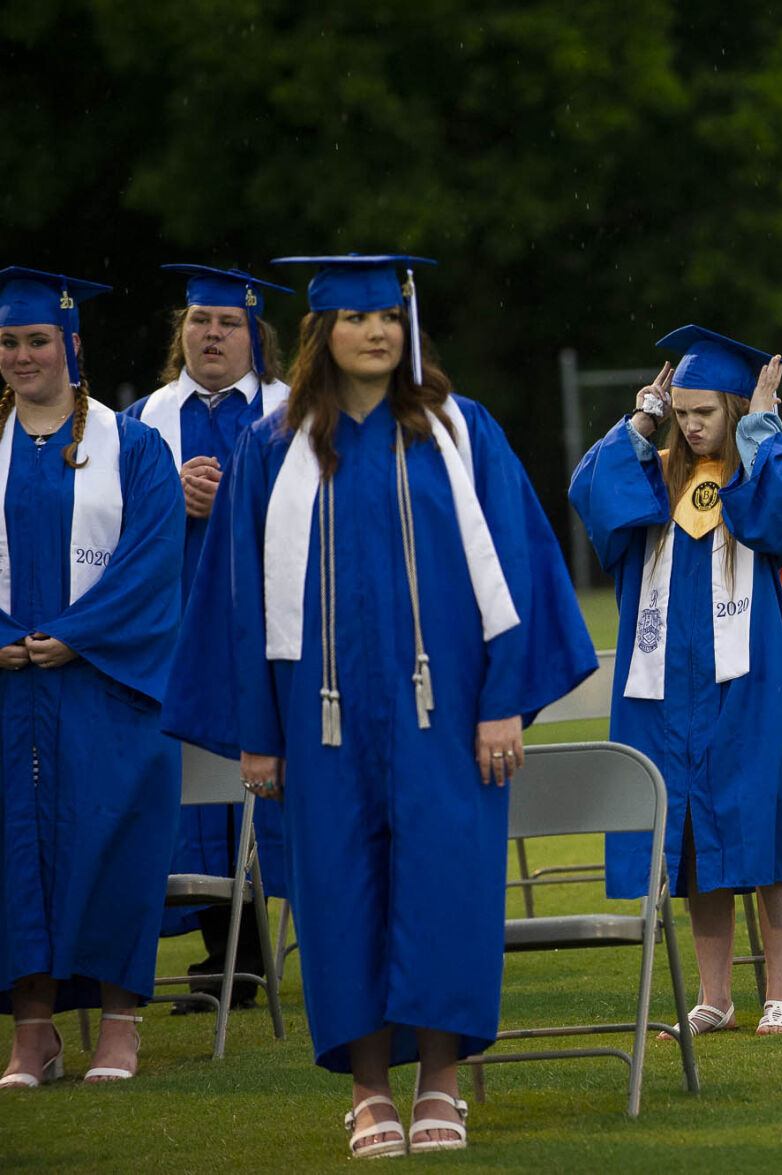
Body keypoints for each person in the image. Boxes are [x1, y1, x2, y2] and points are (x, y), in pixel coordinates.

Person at [160, 255, 597, 1157]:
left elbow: (514, 569)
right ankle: (369, 1093)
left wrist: (503, 703)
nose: (375, 333)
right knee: (338, 893)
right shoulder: (275, 446)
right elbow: (237, 596)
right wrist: (258, 734)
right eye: (356, 320)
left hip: (449, 719)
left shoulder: (459, 431)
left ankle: (441, 1084)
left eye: (389, 319)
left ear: (407, 329)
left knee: (448, 887)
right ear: (324, 333)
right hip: (321, 725)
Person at [570, 326, 782, 1039]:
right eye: (681, 411)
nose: (691, 423)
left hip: (746, 688)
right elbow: (588, 488)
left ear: (737, 408)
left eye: (704, 410)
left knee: (765, 832)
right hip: (661, 693)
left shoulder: (762, 472)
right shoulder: (653, 480)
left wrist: (764, 427)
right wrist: (641, 417)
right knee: (686, 842)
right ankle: (714, 995)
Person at [0, 267, 183, 1087]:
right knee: (12, 849)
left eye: (36, 339)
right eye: (8, 341)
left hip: (108, 684)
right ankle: (31, 1033)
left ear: (71, 344)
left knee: (113, 838)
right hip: (9, 687)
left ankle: (119, 1024)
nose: (21, 354)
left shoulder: (134, 445)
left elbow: (153, 560)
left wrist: (76, 635)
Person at [127, 264, 293, 1012]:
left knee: (278, 779)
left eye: (229, 323)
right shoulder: (143, 424)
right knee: (196, 801)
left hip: (270, 628)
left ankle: (275, 942)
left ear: (256, 335)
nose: (214, 334)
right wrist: (174, 501)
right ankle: (222, 951)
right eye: (200, 321)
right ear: (181, 333)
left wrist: (242, 501)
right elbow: (109, 541)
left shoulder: (298, 415)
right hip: (183, 629)